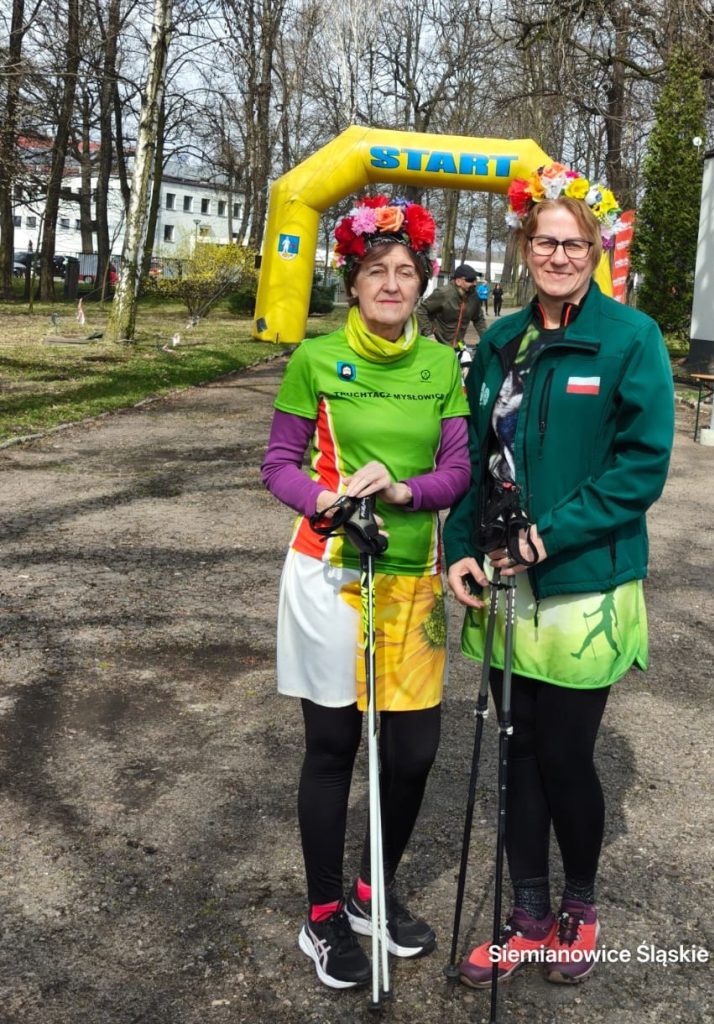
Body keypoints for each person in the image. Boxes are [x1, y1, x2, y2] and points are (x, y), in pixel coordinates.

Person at [443, 163, 674, 987]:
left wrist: (550, 536)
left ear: (597, 246)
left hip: (583, 581)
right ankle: (528, 914)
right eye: (545, 240)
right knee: (513, 749)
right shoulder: (501, 339)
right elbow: (473, 455)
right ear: (525, 244)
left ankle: (580, 904)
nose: (560, 255)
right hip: (504, 579)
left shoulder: (628, 338)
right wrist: (458, 545)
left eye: (575, 242)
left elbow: (640, 467)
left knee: (563, 757)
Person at [260, 195, 470, 990]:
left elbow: (455, 470)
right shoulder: (315, 359)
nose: (391, 284)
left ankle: (368, 893)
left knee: (413, 750)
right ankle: (321, 917)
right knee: (333, 746)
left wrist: (407, 492)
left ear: (423, 284)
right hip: (329, 573)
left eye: (405, 272)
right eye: (376, 272)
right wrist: (320, 498)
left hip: (411, 577)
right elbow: (277, 461)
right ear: (352, 283)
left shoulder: (442, 365)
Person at [416, 262, 487, 354]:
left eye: (475, 280)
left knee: (466, 367)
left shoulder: (474, 297)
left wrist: (485, 338)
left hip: (457, 346)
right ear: (458, 281)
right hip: (437, 345)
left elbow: (478, 319)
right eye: (470, 280)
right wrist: (429, 334)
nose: (474, 283)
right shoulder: (444, 293)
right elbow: (421, 310)